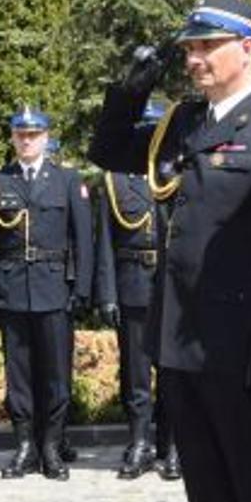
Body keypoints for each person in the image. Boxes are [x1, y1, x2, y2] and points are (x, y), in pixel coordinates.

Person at [88, 0, 251, 502]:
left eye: (208, 46)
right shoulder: (181, 123)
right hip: (181, 340)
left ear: (247, 48)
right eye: (190, 48)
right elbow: (108, 149)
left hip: (242, 346)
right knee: (208, 494)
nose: (195, 59)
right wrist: (129, 91)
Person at [0, 106, 95, 481]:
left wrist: (82, 287)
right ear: (13, 138)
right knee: (20, 373)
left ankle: (51, 445)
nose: (27, 141)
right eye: (21, 135)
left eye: (34, 135)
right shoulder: (0, 181)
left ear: (45, 138)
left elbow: (83, 238)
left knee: (55, 373)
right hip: (12, 288)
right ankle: (25, 445)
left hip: (53, 286)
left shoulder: (66, 179)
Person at [94, 102, 180, 481]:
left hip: (171, 285)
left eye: (153, 129)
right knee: (135, 374)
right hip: (131, 282)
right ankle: (139, 442)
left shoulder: (175, 173)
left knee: (173, 371)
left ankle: (172, 444)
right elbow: (104, 245)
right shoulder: (115, 180)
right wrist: (107, 293)